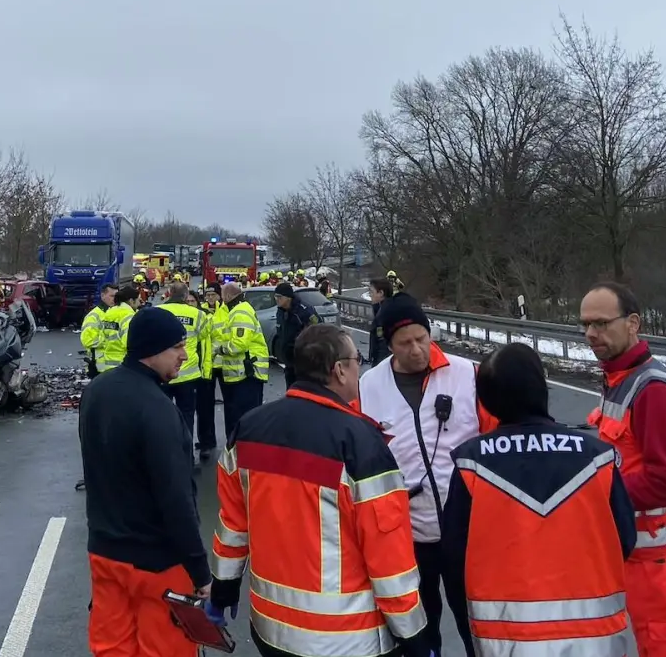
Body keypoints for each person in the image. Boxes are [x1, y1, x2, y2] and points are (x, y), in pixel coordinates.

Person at [209, 324, 434, 657]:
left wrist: (223, 588)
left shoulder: (249, 428)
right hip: (346, 638)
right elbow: (388, 558)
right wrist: (414, 636)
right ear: (340, 370)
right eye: (357, 359)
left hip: (271, 628)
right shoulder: (360, 443)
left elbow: (233, 524)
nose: (361, 368)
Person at [441, 343, 636, 656]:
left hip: (504, 641)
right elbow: (625, 539)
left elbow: (453, 560)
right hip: (595, 638)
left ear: (487, 402)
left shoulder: (471, 465)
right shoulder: (598, 458)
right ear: (542, 389)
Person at [357, 294, 494, 653]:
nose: (417, 349)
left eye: (422, 338)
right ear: (389, 345)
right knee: (419, 625)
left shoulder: (468, 374)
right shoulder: (369, 386)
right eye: (405, 343)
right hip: (406, 534)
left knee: (476, 622)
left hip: (466, 529)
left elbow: (493, 438)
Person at [581, 281, 666, 657]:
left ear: (633, 323)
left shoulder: (654, 390)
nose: (591, 333)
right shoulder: (617, 379)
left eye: (602, 323)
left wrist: (591, 491)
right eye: (585, 324)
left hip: (660, 563)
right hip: (634, 555)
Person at [80, 307, 210, 657]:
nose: (184, 355)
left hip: (106, 551)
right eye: (177, 347)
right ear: (152, 351)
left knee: (112, 648)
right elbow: (176, 498)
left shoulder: (97, 391)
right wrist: (200, 571)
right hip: (158, 563)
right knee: (166, 649)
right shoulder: (157, 409)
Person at [214, 281, 269, 442]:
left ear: (229, 296)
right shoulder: (239, 310)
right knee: (240, 415)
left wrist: (219, 350)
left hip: (247, 372)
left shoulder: (240, 312)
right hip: (241, 373)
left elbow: (239, 344)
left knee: (244, 417)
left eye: (223, 296)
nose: (222, 300)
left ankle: (244, 451)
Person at [156, 283, 209, 449]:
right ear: (186, 297)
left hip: (163, 374)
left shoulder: (157, 312)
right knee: (187, 416)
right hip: (188, 374)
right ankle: (186, 453)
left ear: (169, 293)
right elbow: (205, 338)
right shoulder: (198, 314)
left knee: (162, 416)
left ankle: (164, 452)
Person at [194, 284, 225, 464]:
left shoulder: (225, 311)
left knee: (230, 405)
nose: (210, 297)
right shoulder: (201, 312)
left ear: (219, 296)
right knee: (204, 406)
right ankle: (206, 441)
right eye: (208, 294)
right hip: (207, 366)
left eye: (213, 294)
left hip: (225, 364)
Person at [270, 281, 319, 389]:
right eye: (275, 297)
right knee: (291, 391)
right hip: (289, 361)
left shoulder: (304, 311)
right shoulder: (281, 311)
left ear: (288, 297)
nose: (277, 299)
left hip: (303, 361)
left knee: (304, 392)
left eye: (279, 297)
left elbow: (317, 331)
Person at [97, 285, 139, 375]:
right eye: (138, 300)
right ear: (132, 301)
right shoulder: (128, 316)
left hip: (107, 364)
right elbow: (128, 342)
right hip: (123, 365)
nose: (140, 303)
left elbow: (102, 337)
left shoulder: (109, 312)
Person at [80, 284, 118, 378]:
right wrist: (111, 340)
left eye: (117, 296)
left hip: (116, 367)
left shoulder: (116, 313)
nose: (114, 299)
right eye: (112, 296)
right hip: (99, 368)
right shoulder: (94, 316)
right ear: (102, 296)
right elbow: (88, 340)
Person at [366, 277, 398, 366]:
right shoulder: (381, 309)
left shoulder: (385, 313)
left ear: (381, 293)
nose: (370, 295)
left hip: (383, 364)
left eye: (371, 292)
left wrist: (378, 367)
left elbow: (383, 344)